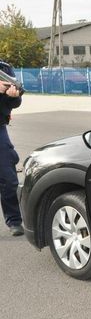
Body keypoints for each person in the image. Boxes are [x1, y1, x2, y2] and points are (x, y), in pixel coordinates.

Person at [0, 60, 24, 236]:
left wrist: (13, 96)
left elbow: (15, 102)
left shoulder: (5, 69)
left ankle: (14, 220)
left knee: (9, 179)